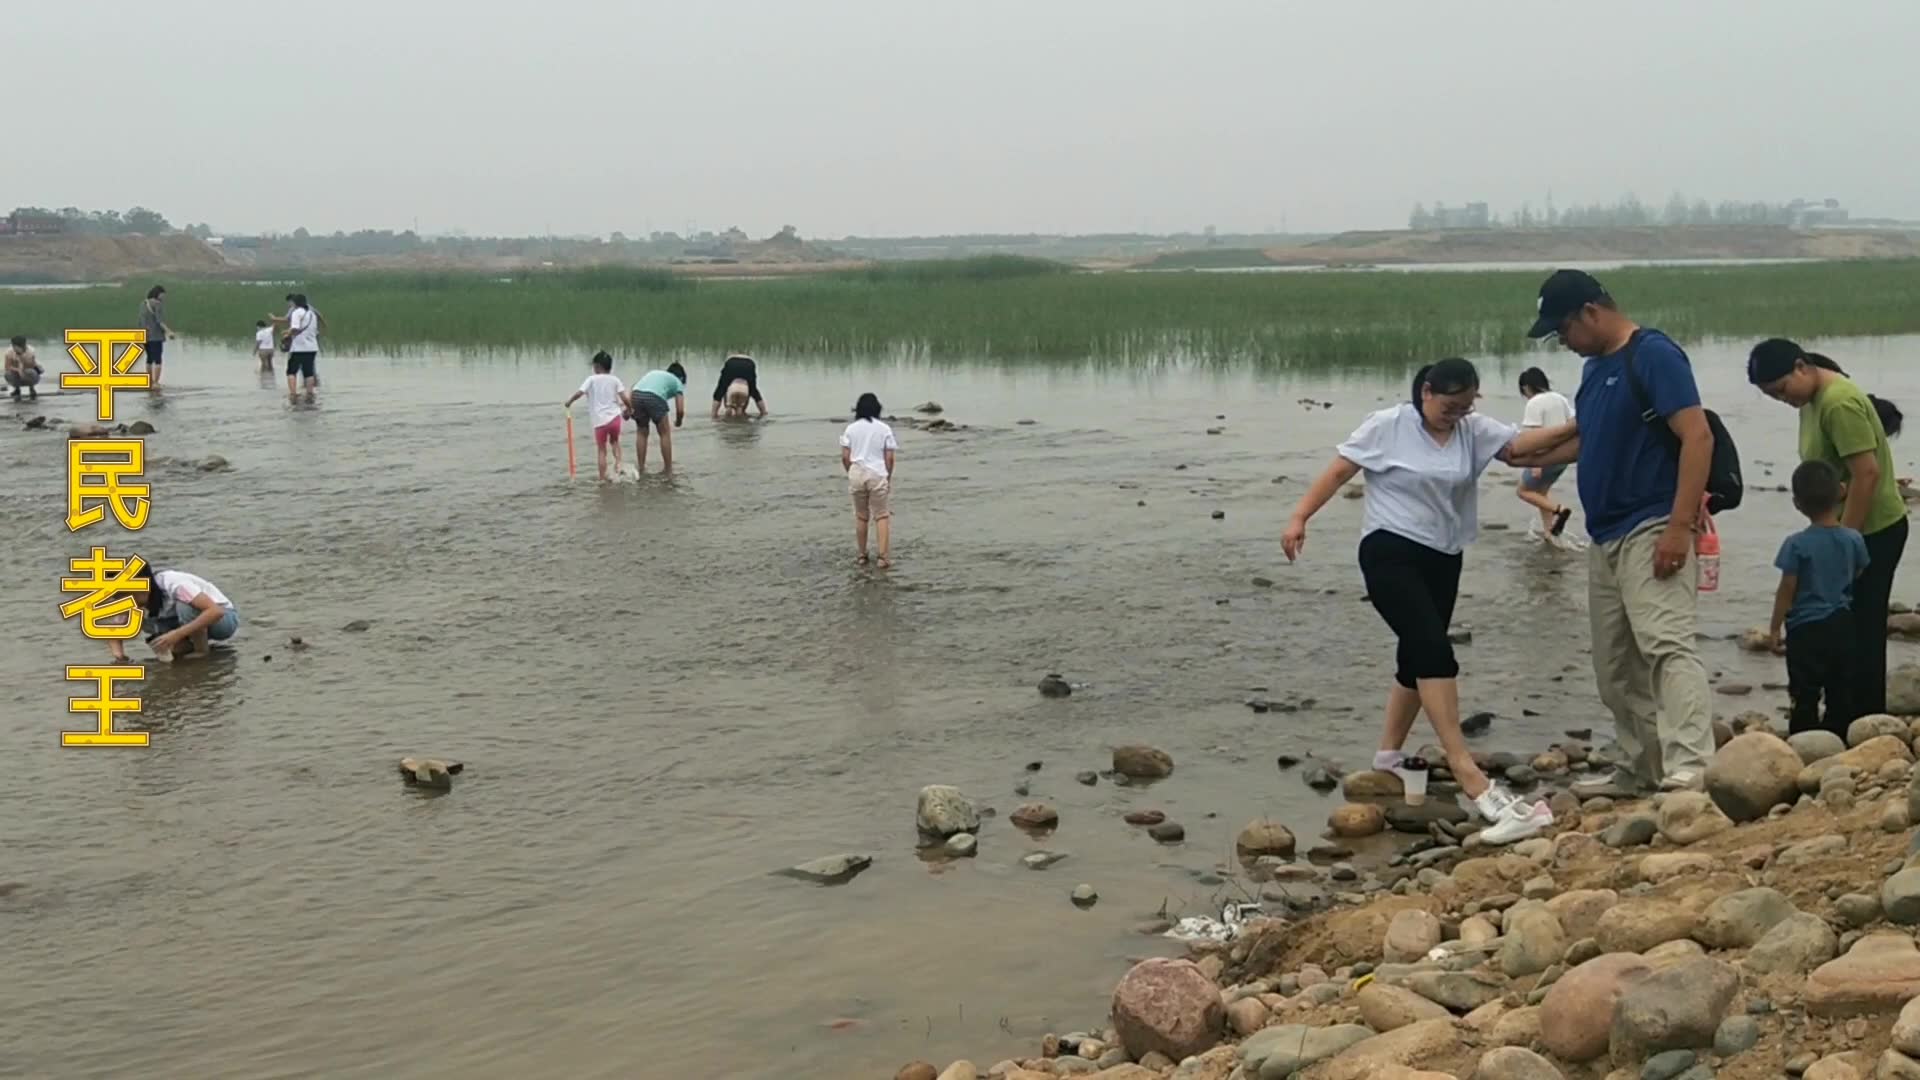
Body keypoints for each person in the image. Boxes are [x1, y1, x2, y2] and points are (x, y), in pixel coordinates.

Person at [1281, 358, 1578, 845]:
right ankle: (1474, 782)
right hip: (1389, 550)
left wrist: (1584, 426)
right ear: (1425, 393)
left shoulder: (1472, 430)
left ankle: (1388, 757)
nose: (1455, 415)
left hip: (1444, 556)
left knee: (1415, 656)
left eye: (1464, 407)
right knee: (1433, 650)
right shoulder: (1388, 426)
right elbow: (1339, 471)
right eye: (1448, 405)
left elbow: (1520, 450)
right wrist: (1299, 518)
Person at [1523, 269, 1717, 796]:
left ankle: (1692, 765)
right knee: (1614, 666)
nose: (1562, 342)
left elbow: (1697, 437)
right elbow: (1591, 440)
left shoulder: (1652, 354)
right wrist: (1516, 455)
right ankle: (1640, 767)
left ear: (1591, 311)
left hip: (1652, 520)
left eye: (1563, 329)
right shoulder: (1594, 369)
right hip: (1605, 532)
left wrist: (1679, 528)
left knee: (1666, 646)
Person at [1748, 338, 1908, 717]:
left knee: (1863, 627)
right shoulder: (1811, 399)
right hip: (1848, 530)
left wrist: (1841, 543)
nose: (1782, 399)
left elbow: (1866, 475)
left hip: (1874, 531)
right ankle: (1844, 712)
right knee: (1845, 623)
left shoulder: (1838, 403)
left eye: (1782, 389)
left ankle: (1865, 717)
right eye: (1772, 396)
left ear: (1801, 367)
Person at [1769, 461, 1871, 737]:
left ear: (1797, 503)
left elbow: (1786, 589)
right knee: (1840, 686)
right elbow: (1859, 570)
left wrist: (1774, 627)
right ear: (1841, 491)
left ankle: (1804, 739)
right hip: (1841, 622)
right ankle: (1837, 736)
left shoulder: (1796, 544)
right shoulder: (1853, 539)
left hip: (1805, 628)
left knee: (1805, 690)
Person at [108, 563, 241, 662]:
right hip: (187, 623)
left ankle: (201, 651)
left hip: (223, 621)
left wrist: (177, 634)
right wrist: (120, 658)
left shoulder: (173, 583)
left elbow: (216, 611)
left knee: (186, 605)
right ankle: (184, 647)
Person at [1515, 367, 1576, 543]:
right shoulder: (1560, 398)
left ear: (1526, 387)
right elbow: (1572, 422)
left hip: (1543, 458)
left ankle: (1560, 510)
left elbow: (1532, 435)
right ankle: (1550, 532)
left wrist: (1534, 465)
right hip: (1561, 457)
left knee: (1523, 491)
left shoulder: (1534, 403)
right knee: (1541, 493)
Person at [841, 392, 898, 568]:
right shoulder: (884, 429)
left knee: (861, 516)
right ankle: (882, 557)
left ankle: (862, 555)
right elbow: (889, 458)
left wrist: (850, 471)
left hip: (857, 471)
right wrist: (888, 477)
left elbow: (845, 456)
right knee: (881, 516)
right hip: (877, 472)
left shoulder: (851, 429)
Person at [563, 350, 629, 481]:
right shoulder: (615, 379)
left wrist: (569, 402)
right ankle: (619, 465)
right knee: (615, 442)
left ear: (597, 366)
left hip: (600, 421)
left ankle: (602, 479)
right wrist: (630, 408)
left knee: (601, 450)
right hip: (615, 418)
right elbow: (624, 397)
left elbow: (580, 393)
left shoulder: (591, 379)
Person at [629, 362, 687, 473]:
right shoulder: (677, 381)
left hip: (636, 395)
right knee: (664, 433)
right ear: (681, 377)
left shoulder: (655, 373)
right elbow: (680, 409)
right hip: (654, 397)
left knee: (641, 433)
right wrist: (679, 421)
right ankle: (668, 469)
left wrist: (630, 407)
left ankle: (641, 468)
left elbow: (634, 387)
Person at [282, 293, 320, 398]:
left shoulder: (296, 313)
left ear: (295, 303)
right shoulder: (312, 314)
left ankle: (293, 394)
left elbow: (294, 328)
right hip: (312, 347)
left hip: (299, 348)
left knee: (291, 371)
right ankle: (310, 393)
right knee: (309, 372)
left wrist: (287, 334)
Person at [711, 353, 768, 419]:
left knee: (720, 390)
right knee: (753, 390)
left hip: (731, 363)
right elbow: (750, 392)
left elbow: (721, 392)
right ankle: (763, 412)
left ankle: (713, 414)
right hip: (749, 363)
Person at [139, 285, 174, 388]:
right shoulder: (157, 304)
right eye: (163, 294)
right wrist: (169, 332)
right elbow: (160, 321)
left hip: (145, 335)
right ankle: (156, 383)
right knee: (158, 359)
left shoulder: (143, 303)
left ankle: (149, 382)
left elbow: (140, 320)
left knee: (149, 358)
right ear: (158, 293)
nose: (163, 297)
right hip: (156, 336)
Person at [5, 336, 40, 401]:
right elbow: (7, 366)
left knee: (30, 372)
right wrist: (18, 369)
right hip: (15, 370)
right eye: (13, 346)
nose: (15, 348)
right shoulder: (9, 351)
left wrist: (22, 359)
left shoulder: (30, 351)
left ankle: (31, 388)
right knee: (8, 374)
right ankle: (17, 389)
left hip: (27, 369)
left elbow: (32, 365)